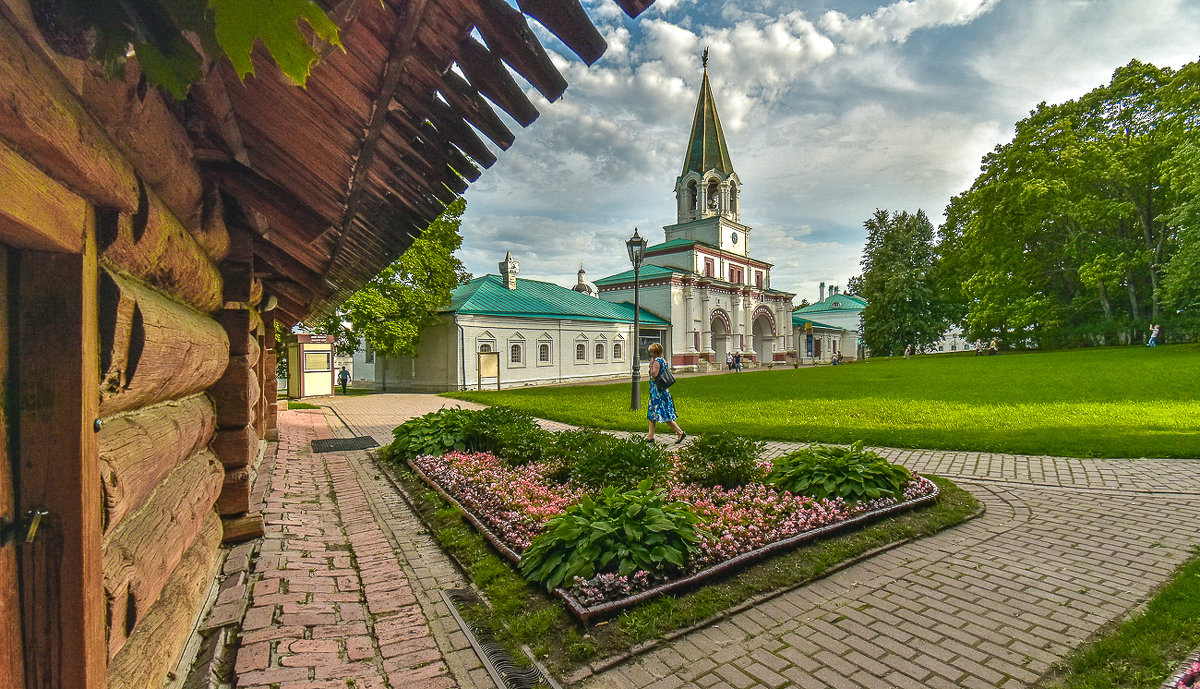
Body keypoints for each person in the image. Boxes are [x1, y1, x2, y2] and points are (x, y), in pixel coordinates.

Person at [646, 342, 685, 444]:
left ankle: (680, 432)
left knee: (664, 413)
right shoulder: (664, 361)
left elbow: (654, 374)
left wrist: (651, 365)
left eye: (652, 352)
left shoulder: (656, 361)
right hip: (662, 390)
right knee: (653, 413)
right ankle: (650, 436)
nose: (650, 354)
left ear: (655, 352)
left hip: (657, 391)